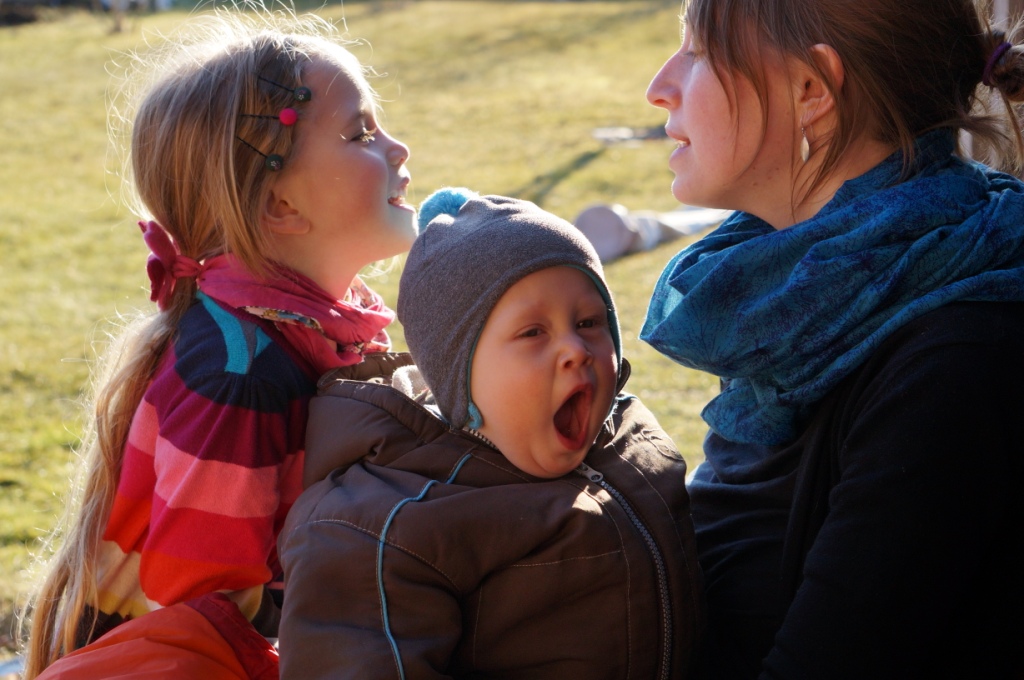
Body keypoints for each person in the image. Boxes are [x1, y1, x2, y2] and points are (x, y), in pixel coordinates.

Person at [24, 8, 416, 678]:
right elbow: (206, 614)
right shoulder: (240, 380)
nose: (398, 148)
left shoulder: (306, 335)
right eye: (361, 133)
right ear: (280, 208)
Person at [641, 0, 1024, 678]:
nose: (660, 85)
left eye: (698, 52)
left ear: (811, 90)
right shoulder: (809, 296)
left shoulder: (955, 359)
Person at [276, 188, 705, 679]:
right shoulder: (381, 526)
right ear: (458, 375)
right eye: (533, 332)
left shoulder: (634, 440)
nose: (575, 348)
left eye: (589, 322)